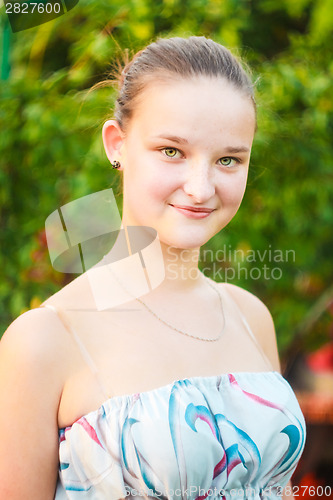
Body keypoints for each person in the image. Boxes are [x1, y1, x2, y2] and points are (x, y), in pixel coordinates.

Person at [0, 36, 305, 500]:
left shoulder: (250, 316)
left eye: (228, 159)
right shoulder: (44, 339)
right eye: (171, 151)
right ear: (116, 144)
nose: (200, 188)